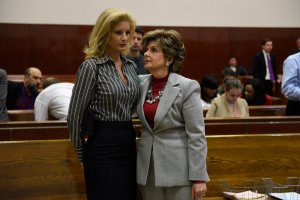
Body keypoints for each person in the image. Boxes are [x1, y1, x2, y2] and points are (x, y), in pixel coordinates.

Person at [67, 8, 139, 200]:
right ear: (105, 33)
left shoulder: (131, 66)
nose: (124, 38)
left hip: (128, 141)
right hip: (101, 146)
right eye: (118, 32)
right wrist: (81, 154)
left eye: (127, 32)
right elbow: (74, 116)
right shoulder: (91, 66)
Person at [136, 29, 209, 200]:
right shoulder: (140, 83)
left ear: (169, 58)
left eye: (154, 50)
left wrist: (198, 178)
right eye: (146, 49)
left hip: (179, 172)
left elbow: (196, 135)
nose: (146, 53)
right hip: (147, 170)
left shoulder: (187, 87)